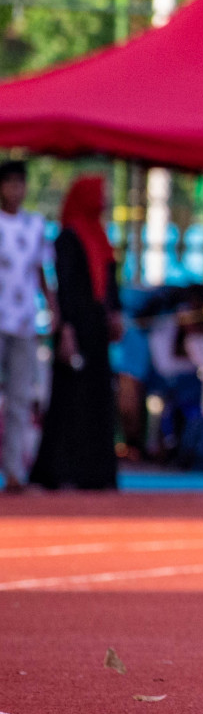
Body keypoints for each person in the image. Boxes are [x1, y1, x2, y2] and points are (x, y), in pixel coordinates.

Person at [30, 175, 120, 490]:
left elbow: (109, 283)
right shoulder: (69, 238)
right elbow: (66, 287)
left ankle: (94, 473)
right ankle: (58, 470)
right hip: (75, 326)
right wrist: (65, 328)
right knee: (69, 398)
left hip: (97, 330)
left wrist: (114, 314)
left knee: (97, 398)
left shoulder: (101, 238)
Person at [0, 160, 54, 491]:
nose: (15, 190)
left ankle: (14, 472)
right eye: (9, 184)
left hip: (23, 322)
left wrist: (52, 307)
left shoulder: (35, 226)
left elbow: (43, 272)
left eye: (21, 184)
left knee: (20, 398)